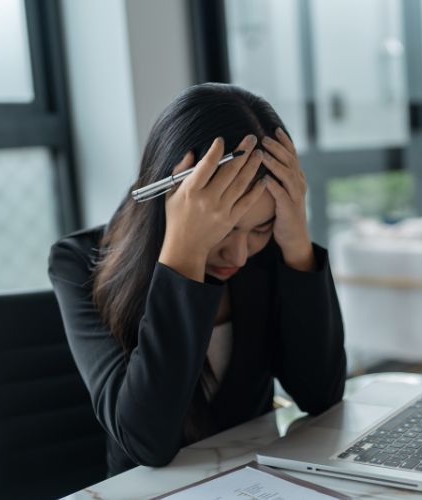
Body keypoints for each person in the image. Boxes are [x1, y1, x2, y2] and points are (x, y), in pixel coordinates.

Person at [48, 83, 346, 477]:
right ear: (173, 202)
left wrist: (295, 242)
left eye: (261, 228)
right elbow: (146, 442)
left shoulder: (271, 252)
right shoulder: (78, 263)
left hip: (258, 481)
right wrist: (183, 253)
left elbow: (320, 395)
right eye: (225, 229)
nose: (239, 255)